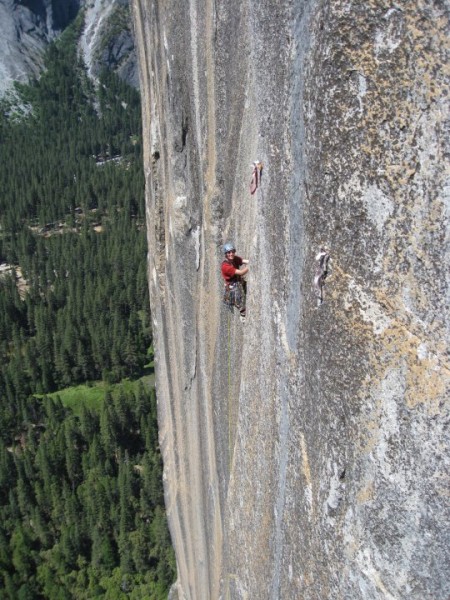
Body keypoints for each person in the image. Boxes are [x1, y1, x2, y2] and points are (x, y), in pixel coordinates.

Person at [221, 242, 249, 322]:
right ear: (226, 254)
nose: (231, 254)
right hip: (232, 286)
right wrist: (251, 266)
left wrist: (251, 261)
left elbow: (243, 261)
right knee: (239, 300)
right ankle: (243, 315)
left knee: (242, 292)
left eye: (233, 251)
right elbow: (241, 272)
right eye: (229, 252)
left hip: (237, 281)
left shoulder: (234, 258)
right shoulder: (225, 266)